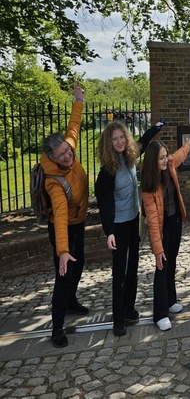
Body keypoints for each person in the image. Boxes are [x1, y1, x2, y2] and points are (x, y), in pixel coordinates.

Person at [95, 117, 164, 337]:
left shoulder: (130, 156)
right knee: (120, 273)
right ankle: (118, 320)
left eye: (121, 137)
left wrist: (156, 128)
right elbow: (104, 202)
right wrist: (109, 231)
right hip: (118, 225)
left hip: (133, 220)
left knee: (133, 266)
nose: (119, 141)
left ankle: (129, 309)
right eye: (114, 139)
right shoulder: (108, 171)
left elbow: (143, 141)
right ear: (108, 143)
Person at [43, 82, 89, 348]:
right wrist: (62, 250)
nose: (68, 155)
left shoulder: (68, 146)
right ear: (52, 157)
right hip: (64, 228)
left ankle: (71, 300)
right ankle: (57, 327)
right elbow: (60, 216)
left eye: (68, 150)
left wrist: (79, 99)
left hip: (79, 222)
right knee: (64, 274)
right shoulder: (53, 181)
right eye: (61, 155)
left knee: (79, 263)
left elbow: (73, 126)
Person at [141, 138, 190, 331]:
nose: (165, 160)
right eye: (161, 158)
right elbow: (153, 221)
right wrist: (157, 249)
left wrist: (188, 145)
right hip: (162, 227)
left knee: (172, 262)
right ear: (153, 160)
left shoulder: (169, 164)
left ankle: (171, 300)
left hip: (174, 221)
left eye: (165, 156)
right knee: (162, 265)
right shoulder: (149, 185)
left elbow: (179, 155)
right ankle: (160, 314)